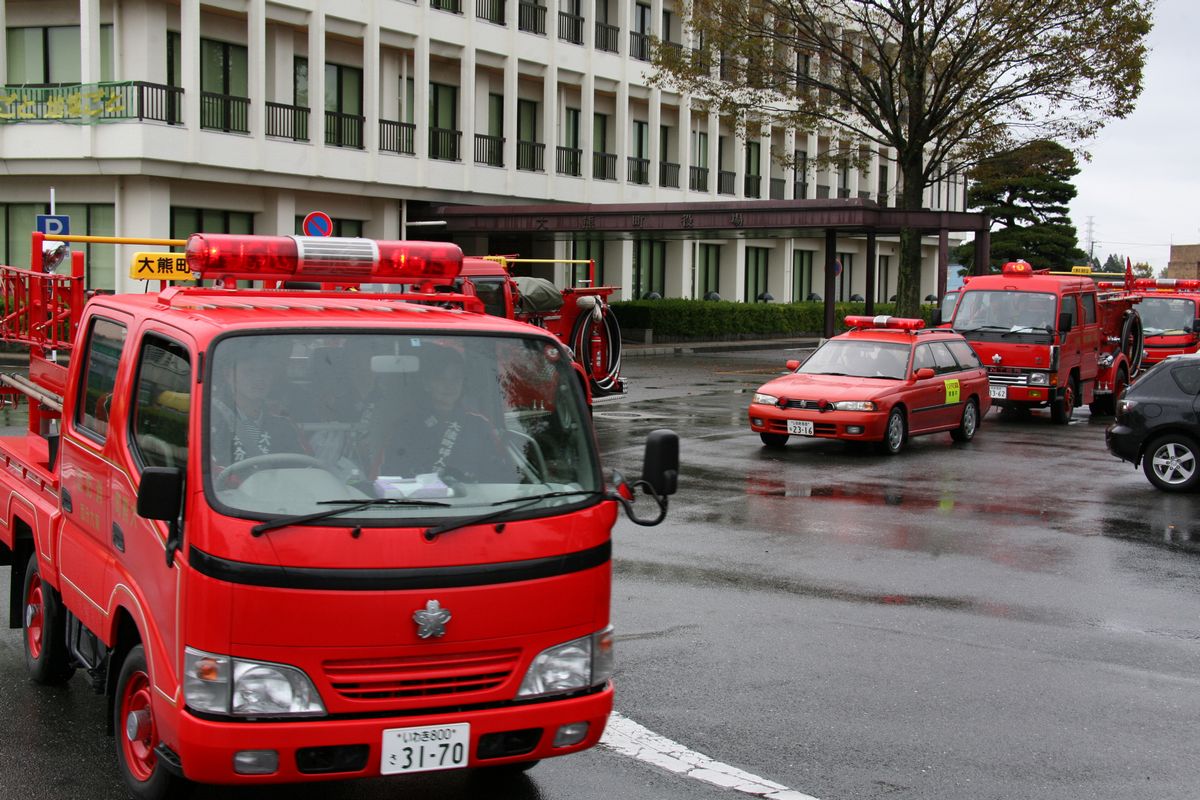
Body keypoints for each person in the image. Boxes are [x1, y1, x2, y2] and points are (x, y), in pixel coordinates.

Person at [379, 345, 513, 482]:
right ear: (426, 384)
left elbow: (498, 475)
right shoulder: (406, 427)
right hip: (421, 501)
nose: (449, 385)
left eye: (456, 379)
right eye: (440, 379)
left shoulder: (478, 424)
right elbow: (391, 476)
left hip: (472, 500)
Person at [210, 338, 307, 468]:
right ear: (228, 375)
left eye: (265, 371)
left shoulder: (283, 424)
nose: (259, 379)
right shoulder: (212, 420)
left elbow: (300, 467)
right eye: (250, 371)